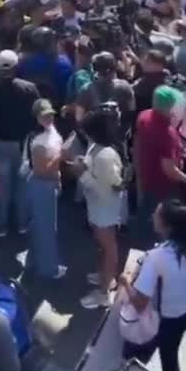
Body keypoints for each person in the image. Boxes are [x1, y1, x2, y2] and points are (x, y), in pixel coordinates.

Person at [120, 199, 186, 371]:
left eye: (157, 214)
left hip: (161, 320)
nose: (152, 216)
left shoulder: (156, 258)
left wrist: (125, 282)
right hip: (184, 313)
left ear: (167, 225)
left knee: (135, 359)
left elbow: (140, 304)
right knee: (170, 359)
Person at [0, 50, 38, 237]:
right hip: (23, 144)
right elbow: (37, 114)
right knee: (22, 185)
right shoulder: (29, 88)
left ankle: (2, 225)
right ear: (16, 66)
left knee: (2, 186)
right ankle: (22, 223)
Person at [70, 108, 123, 309]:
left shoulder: (105, 156)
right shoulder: (97, 149)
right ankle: (104, 275)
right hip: (97, 208)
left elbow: (105, 189)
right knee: (103, 245)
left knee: (109, 248)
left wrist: (81, 173)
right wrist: (85, 165)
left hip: (104, 209)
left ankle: (104, 292)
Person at [135, 85, 186, 229]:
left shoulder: (144, 116)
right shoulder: (167, 134)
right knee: (166, 223)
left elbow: (138, 144)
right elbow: (169, 169)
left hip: (147, 178)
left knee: (148, 216)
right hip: (164, 186)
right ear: (170, 106)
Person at [24, 98, 66, 279]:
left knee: (40, 227)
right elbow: (41, 171)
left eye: (50, 114)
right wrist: (61, 156)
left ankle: (32, 261)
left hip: (48, 184)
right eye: (44, 116)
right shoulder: (38, 141)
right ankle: (48, 270)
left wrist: (58, 178)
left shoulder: (52, 132)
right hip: (41, 186)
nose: (49, 118)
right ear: (36, 118)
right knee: (47, 230)